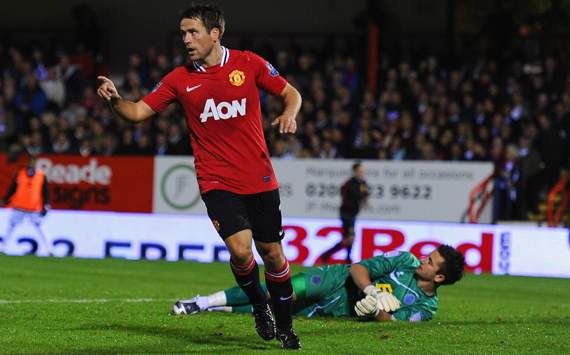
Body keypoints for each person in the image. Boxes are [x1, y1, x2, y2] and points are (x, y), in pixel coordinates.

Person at [96, 5, 302, 349]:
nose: (186, 39)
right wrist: (115, 100)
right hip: (216, 181)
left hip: (259, 178)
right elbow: (136, 112)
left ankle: (285, 326)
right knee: (240, 250)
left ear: (214, 33)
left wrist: (289, 114)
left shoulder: (248, 64)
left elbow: (290, 93)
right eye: (182, 33)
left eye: (193, 32)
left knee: (273, 254)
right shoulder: (179, 79)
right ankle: (258, 308)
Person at [173, 245, 465, 322]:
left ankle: (220, 310)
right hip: (336, 280)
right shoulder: (405, 260)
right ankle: (201, 302)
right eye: (428, 256)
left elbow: (391, 322)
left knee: (275, 313)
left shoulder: (426, 308)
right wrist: (370, 291)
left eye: (430, 262)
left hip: (340, 310)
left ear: (439, 278)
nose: (423, 260)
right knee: (282, 290)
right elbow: (360, 268)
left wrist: (375, 310)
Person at [320, 162, 369, 264]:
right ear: (355, 171)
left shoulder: (363, 183)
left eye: (362, 171)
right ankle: (331, 255)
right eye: (360, 171)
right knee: (350, 237)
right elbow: (343, 194)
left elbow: (365, 194)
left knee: (349, 238)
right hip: (346, 213)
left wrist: (365, 200)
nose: (362, 173)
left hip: (353, 213)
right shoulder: (349, 183)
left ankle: (340, 257)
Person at [1, 154, 50, 255]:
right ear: (28, 163)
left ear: (36, 163)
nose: (32, 164)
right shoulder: (20, 174)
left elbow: (45, 192)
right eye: (30, 161)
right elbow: (12, 188)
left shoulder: (41, 176)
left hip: (34, 207)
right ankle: (3, 248)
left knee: (42, 228)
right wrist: (6, 199)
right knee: (11, 227)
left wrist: (46, 205)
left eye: (34, 162)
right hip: (19, 206)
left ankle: (49, 249)